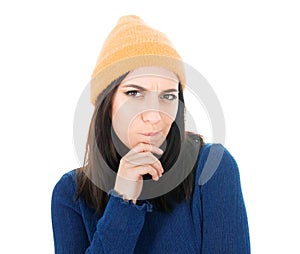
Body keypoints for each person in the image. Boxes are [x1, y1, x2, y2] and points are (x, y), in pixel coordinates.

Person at [51, 15, 250, 253]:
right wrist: (123, 200)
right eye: (134, 93)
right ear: (107, 102)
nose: (154, 116)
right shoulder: (71, 194)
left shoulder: (211, 169)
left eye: (167, 96)